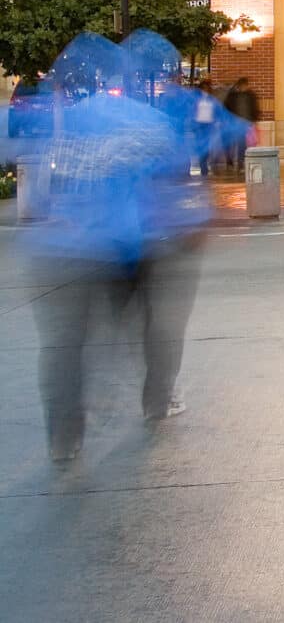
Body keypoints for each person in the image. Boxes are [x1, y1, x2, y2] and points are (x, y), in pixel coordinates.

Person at [26, 33, 215, 464]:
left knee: (63, 346)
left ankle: (65, 437)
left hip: (65, 248)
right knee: (158, 328)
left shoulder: (66, 125)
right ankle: (158, 399)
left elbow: (42, 193)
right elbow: (173, 185)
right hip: (133, 243)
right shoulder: (152, 124)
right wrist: (191, 224)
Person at [221, 75, 259, 170]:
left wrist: (254, 120)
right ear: (239, 85)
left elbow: (254, 108)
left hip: (245, 124)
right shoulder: (232, 96)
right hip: (233, 124)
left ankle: (240, 163)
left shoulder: (251, 95)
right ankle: (229, 160)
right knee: (230, 143)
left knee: (241, 144)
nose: (244, 87)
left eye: (246, 85)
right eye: (243, 85)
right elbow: (226, 108)